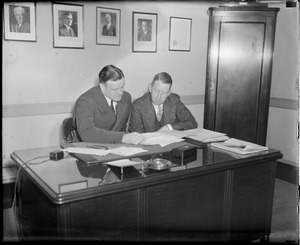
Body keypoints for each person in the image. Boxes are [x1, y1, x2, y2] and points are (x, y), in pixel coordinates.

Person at [73, 65, 143, 144]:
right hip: (90, 146)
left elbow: (121, 127)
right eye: (115, 89)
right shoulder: (85, 101)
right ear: (102, 87)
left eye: (122, 87)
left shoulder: (126, 97)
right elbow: (87, 133)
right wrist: (123, 137)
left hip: (116, 147)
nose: (120, 93)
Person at [130, 72, 198, 133]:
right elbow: (137, 137)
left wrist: (168, 128)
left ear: (169, 93)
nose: (159, 97)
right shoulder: (138, 106)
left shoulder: (174, 100)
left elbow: (192, 123)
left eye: (164, 93)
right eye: (156, 91)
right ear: (150, 88)